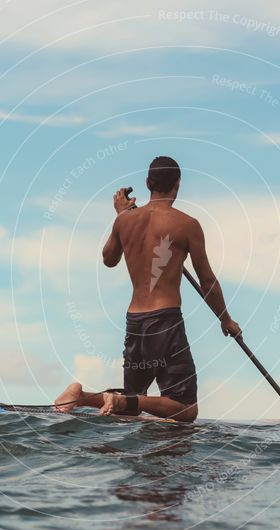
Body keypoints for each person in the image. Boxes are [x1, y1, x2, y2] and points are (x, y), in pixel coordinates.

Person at [54, 156, 241, 421]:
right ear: (177, 185)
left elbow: (109, 260)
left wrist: (121, 218)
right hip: (165, 321)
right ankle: (115, 401)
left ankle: (81, 397)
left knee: (132, 406)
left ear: (147, 183)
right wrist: (226, 319)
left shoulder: (124, 221)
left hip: (135, 322)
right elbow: (207, 281)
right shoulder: (187, 224)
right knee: (185, 408)